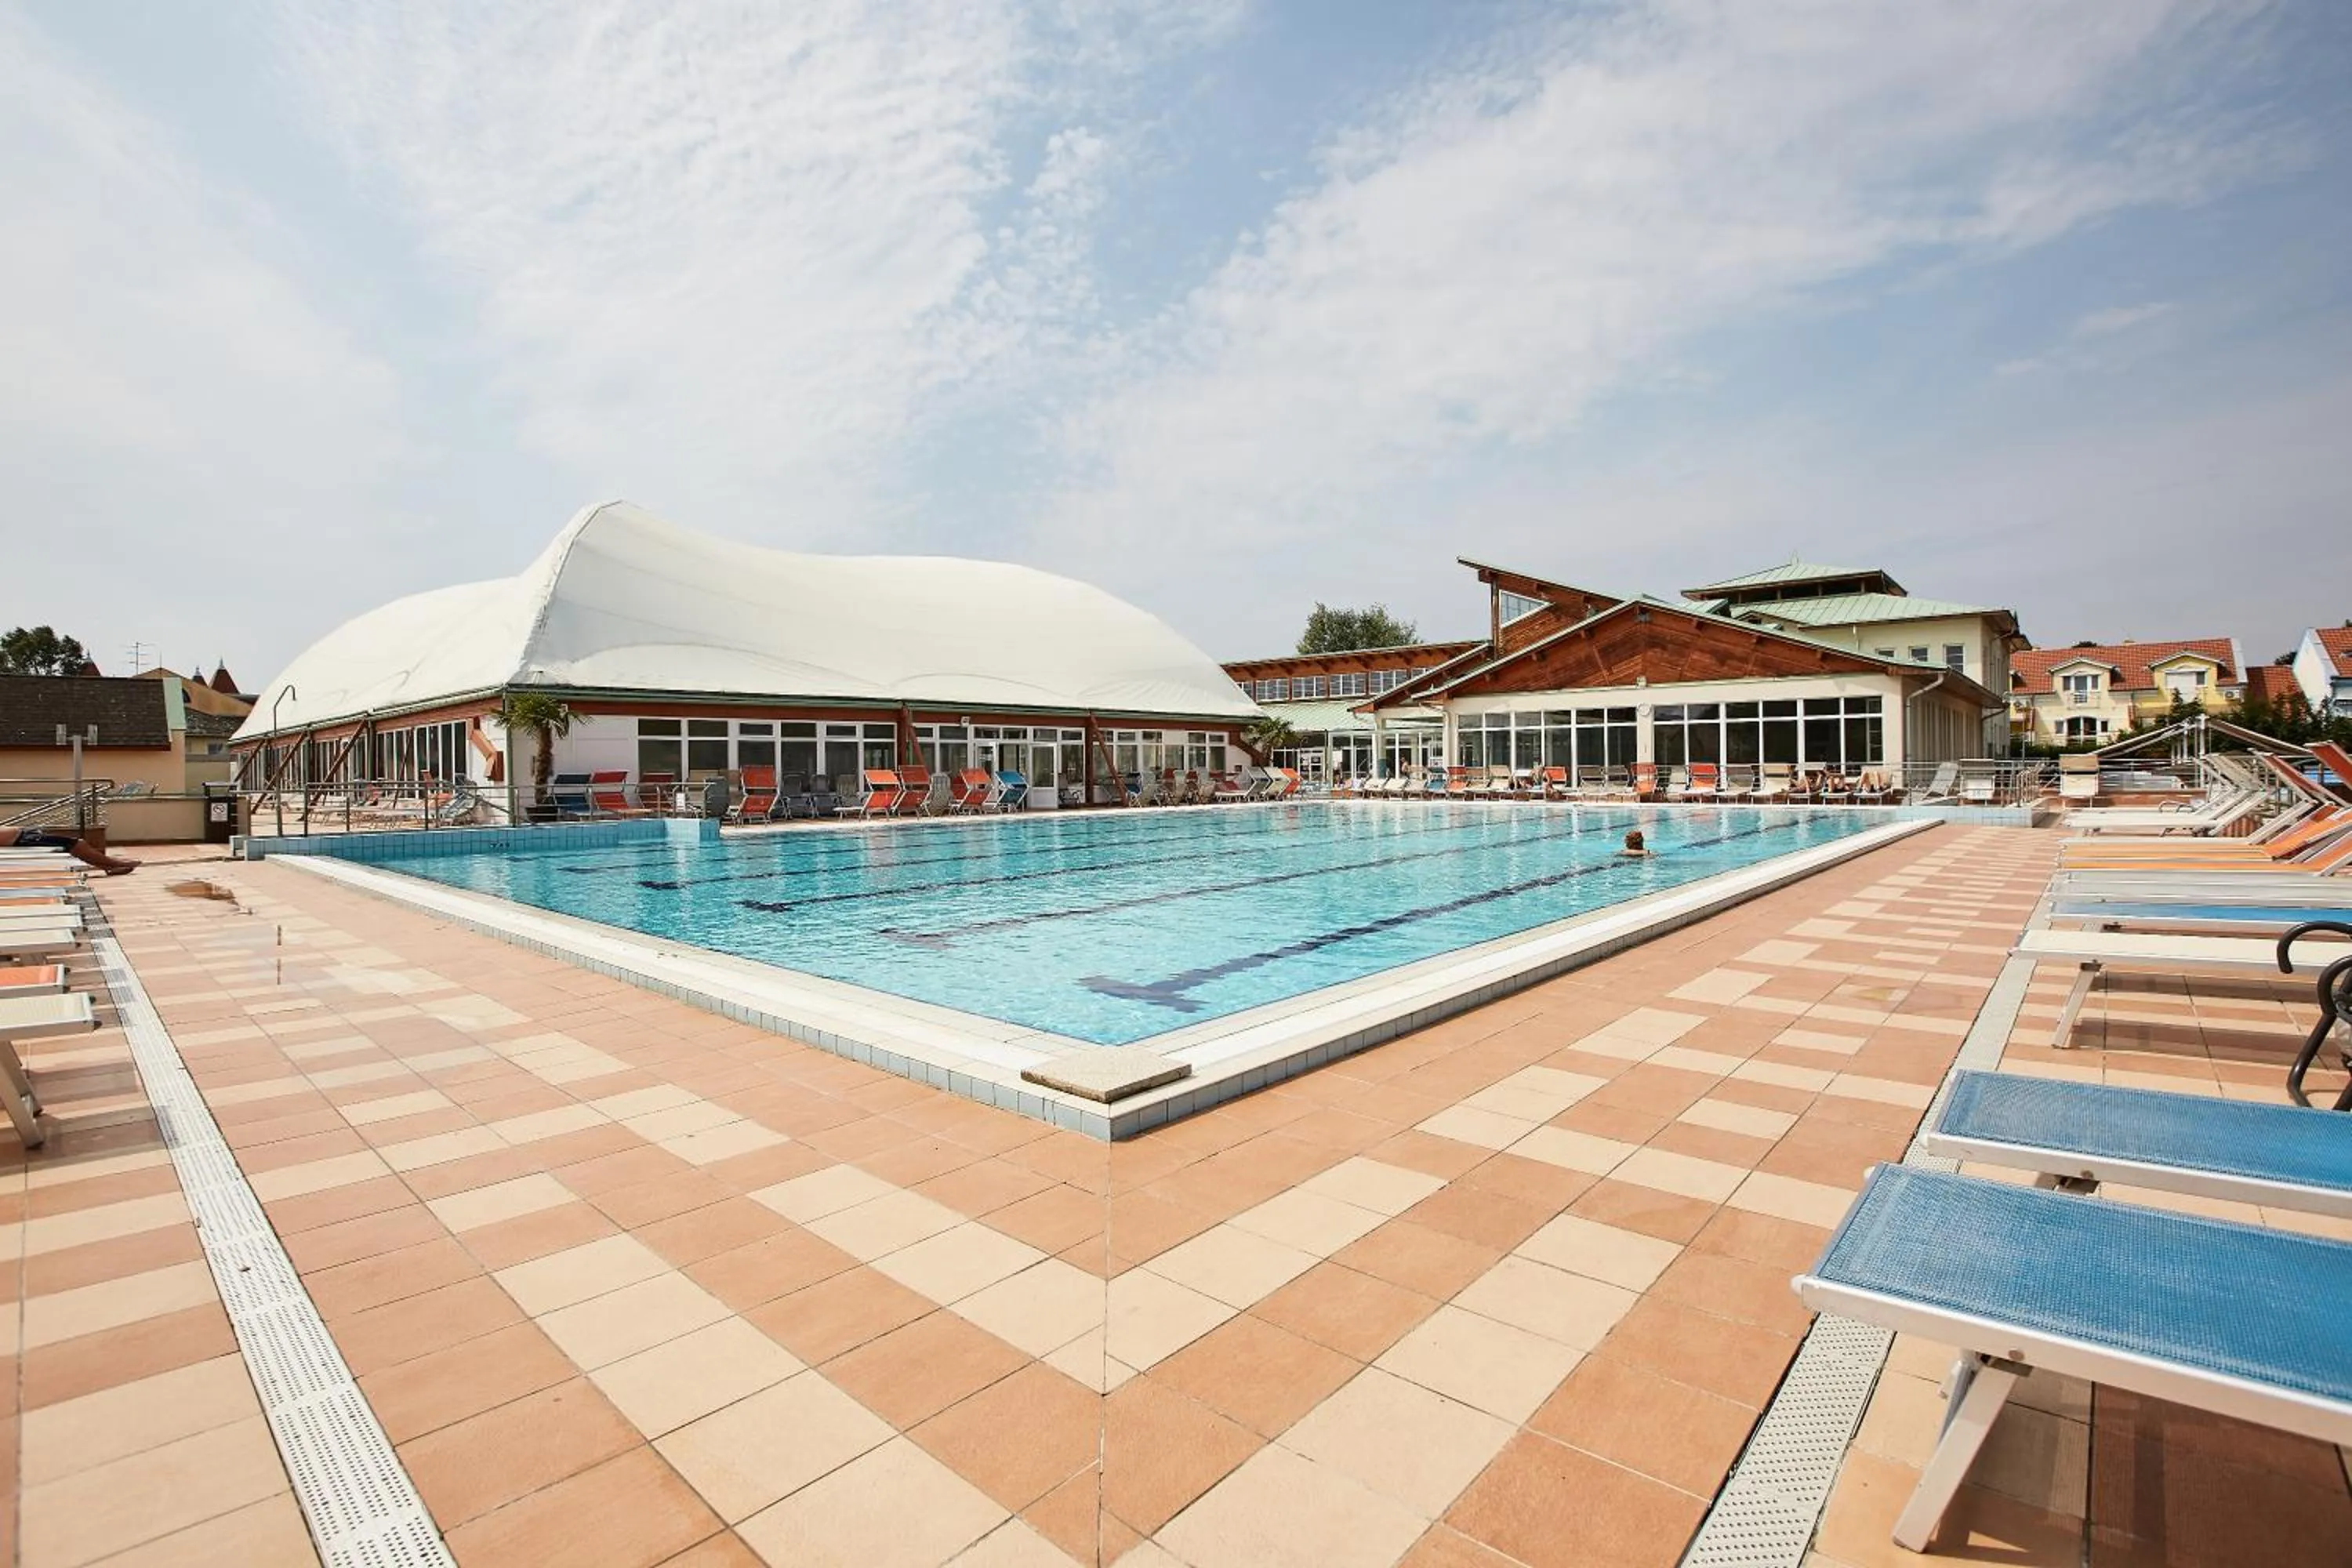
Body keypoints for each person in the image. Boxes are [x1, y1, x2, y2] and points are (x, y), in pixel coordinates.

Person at [0, 826, 139, 875]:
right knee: (78, 844)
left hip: (21, 836)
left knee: (77, 845)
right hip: (19, 840)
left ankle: (109, 866)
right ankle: (114, 864)